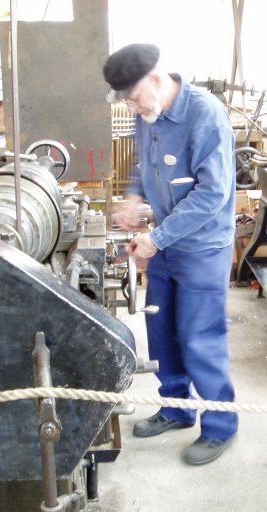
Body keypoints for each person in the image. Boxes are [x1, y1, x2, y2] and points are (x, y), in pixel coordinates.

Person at [103, 43, 239, 465]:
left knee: (199, 338)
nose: (133, 108)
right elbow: (142, 166)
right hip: (164, 240)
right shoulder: (150, 112)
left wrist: (156, 239)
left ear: (158, 81)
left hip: (201, 247)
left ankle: (219, 427)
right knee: (161, 331)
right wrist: (131, 198)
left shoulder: (205, 114)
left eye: (136, 99)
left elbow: (212, 193)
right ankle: (176, 407)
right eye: (127, 101)